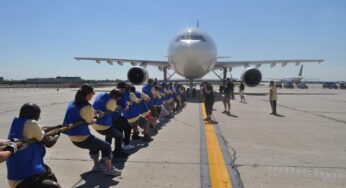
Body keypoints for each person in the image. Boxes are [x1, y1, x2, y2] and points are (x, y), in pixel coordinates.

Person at [63, 84, 120, 176]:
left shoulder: (72, 103)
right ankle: (109, 169)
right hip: (82, 137)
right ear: (88, 95)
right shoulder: (86, 107)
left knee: (95, 145)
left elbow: (88, 113)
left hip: (72, 136)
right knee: (107, 146)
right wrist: (95, 119)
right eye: (92, 94)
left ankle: (97, 166)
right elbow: (90, 121)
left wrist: (95, 113)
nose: (93, 96)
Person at [6, 103, 61, 188]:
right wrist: (57, 135)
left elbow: (41, 129)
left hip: (16, 176)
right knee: (55, 186)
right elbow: (49, 143)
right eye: (38, 116)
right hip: (23, 180)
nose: (38, 119)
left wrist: (57, 127)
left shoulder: (18, 122)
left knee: (48, 172)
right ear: (34, 115)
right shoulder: (31, 124)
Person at [92, 89, 129, 159]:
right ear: (115, 96)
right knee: (119, 136)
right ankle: (118, 153)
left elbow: (106, 107)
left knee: (109, 135)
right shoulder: (112, 101)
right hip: (103, 125)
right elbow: (114, 110)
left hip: (95, 123)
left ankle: (107, 151)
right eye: (118, 98)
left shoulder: (101, 94)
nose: (119, 99)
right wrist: (124, 108)